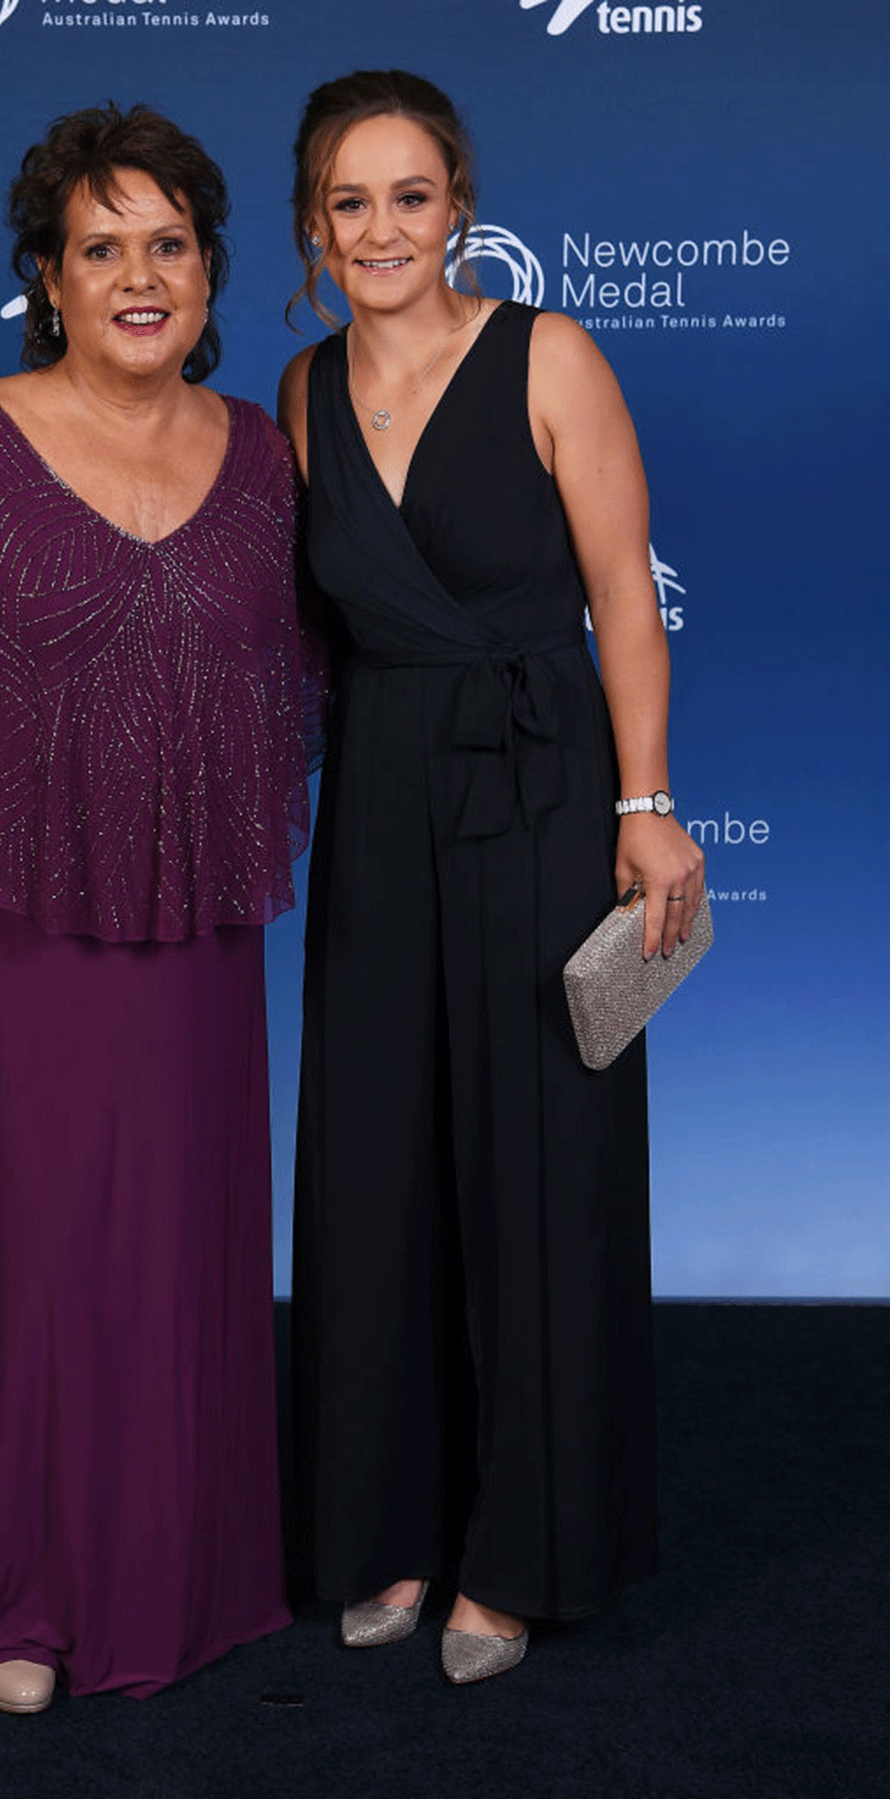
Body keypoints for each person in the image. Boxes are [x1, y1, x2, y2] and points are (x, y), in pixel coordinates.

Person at [0, 103, 314, 1712]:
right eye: (100, 246)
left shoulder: (266, 454)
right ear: (48, 278)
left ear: (207, 269)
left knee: (187, 1239)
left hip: (203, 915)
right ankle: (21, 1598)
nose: (137, 275)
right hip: (27, 910)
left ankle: (177, 1575)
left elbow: (325, 670)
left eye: (167, 244)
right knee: (40, 1247)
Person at [279, 70, 706, 1685]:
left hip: (541, 782)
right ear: (315, 224)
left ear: (459, 202)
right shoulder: (301, 393)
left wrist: (647, 798)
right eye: (349, 200)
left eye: (409, 194)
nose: (381, 227)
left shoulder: (550, 353)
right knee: (376, 1155)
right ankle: (383, 1523)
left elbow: (622, 589)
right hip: (382, 789)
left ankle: (522, 1551)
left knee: (538, 1157)